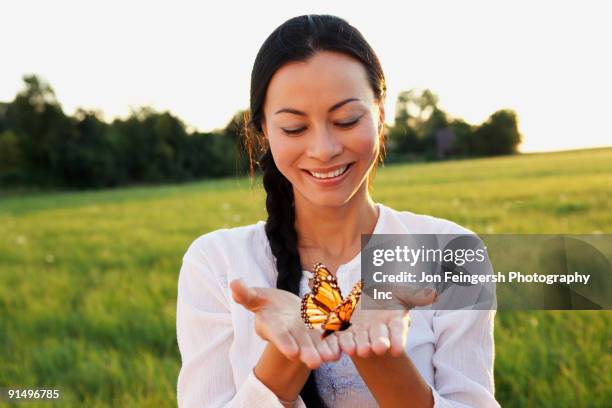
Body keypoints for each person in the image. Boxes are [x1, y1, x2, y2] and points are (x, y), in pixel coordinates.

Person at [176, 14, 499, 408]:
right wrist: (287, 356)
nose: (324, 149)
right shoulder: (216, 263)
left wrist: (380, 356)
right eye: (295, 128)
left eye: (346, 119)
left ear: (381, 114)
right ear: (263, 130)